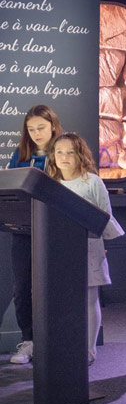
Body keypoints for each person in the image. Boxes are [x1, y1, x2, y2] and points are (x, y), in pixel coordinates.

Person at [48, 133, 124, 365]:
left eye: (70, 152)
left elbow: (104, 216)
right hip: (59, 250)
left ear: (79, 155)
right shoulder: (50, 183)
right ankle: (67, 346)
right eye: (59, 152)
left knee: (90, 298)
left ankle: (89, 350)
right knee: (62, 300)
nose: (64, 157)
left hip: (89, 248)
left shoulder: (92, 181)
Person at [4, 105, 64, 364]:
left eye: (41, 127)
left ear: (52, 125)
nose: (36, 133)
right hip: (22, 230)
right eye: (31, 129)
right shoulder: (20, 154)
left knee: (52, 287)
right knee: (22, 288)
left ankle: (53, 342)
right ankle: (28, 341)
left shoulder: (63, 151)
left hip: (54, 230)